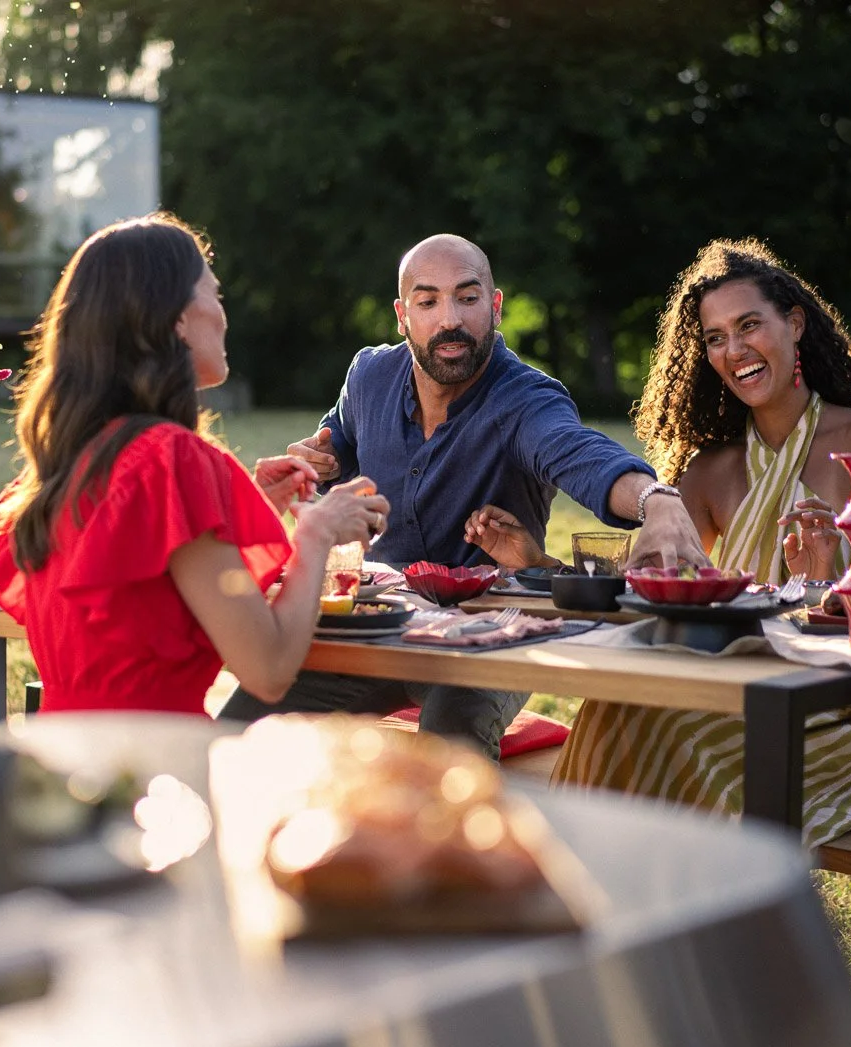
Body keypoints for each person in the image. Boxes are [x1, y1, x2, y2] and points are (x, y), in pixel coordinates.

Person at [218, 234, 709, 758]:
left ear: (494, 307)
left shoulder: (525, 399)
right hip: (381, 623)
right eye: (428, 302)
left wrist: (656, 498)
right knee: (236, 732)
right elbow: (335, 442)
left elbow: (582, 456)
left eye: (467, 298)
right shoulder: (370, 376)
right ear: (402, 315)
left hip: (492, 636)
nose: (449, 318)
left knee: (448, 751)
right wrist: (319, 461)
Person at [544, 236, 851, 846]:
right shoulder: (707, 470)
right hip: (728, 691)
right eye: (715, 337)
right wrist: (534, 562)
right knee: (616, 713)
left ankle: (687, 916)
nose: (734, 349)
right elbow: (646, 591)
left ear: (794, 324)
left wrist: (823, 582)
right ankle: (594, 913)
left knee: (673, 736)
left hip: (834, 715)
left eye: (749, 325)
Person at [0, 214, 389, 715]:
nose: (223, 314)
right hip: (152, 772)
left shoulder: (63, 468)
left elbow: (145, 598)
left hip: (60, 763)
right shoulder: (173, 460)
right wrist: (315, 536)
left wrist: (244, 506)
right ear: (175, 319)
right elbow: (270, 669)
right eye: (214, 294)